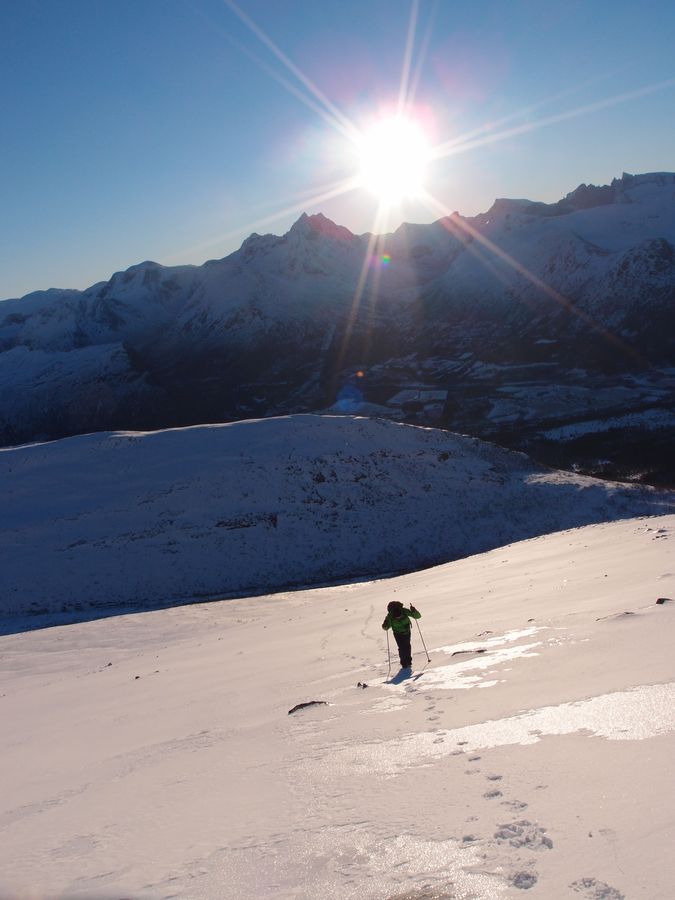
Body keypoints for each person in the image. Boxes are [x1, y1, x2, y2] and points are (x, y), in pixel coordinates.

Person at [382, 600, 421, 669]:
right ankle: (403, 663)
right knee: (402, 647)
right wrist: (385, 625)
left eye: (400, 617)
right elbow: (386, 628)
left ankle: (408, 661)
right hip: (397, 634)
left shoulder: (404, 611)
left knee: (407, 646)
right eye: (397, 618)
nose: (398, 618)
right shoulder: (390, 616)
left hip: (407, 631)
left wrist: (414, 611)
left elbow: (417, 616)